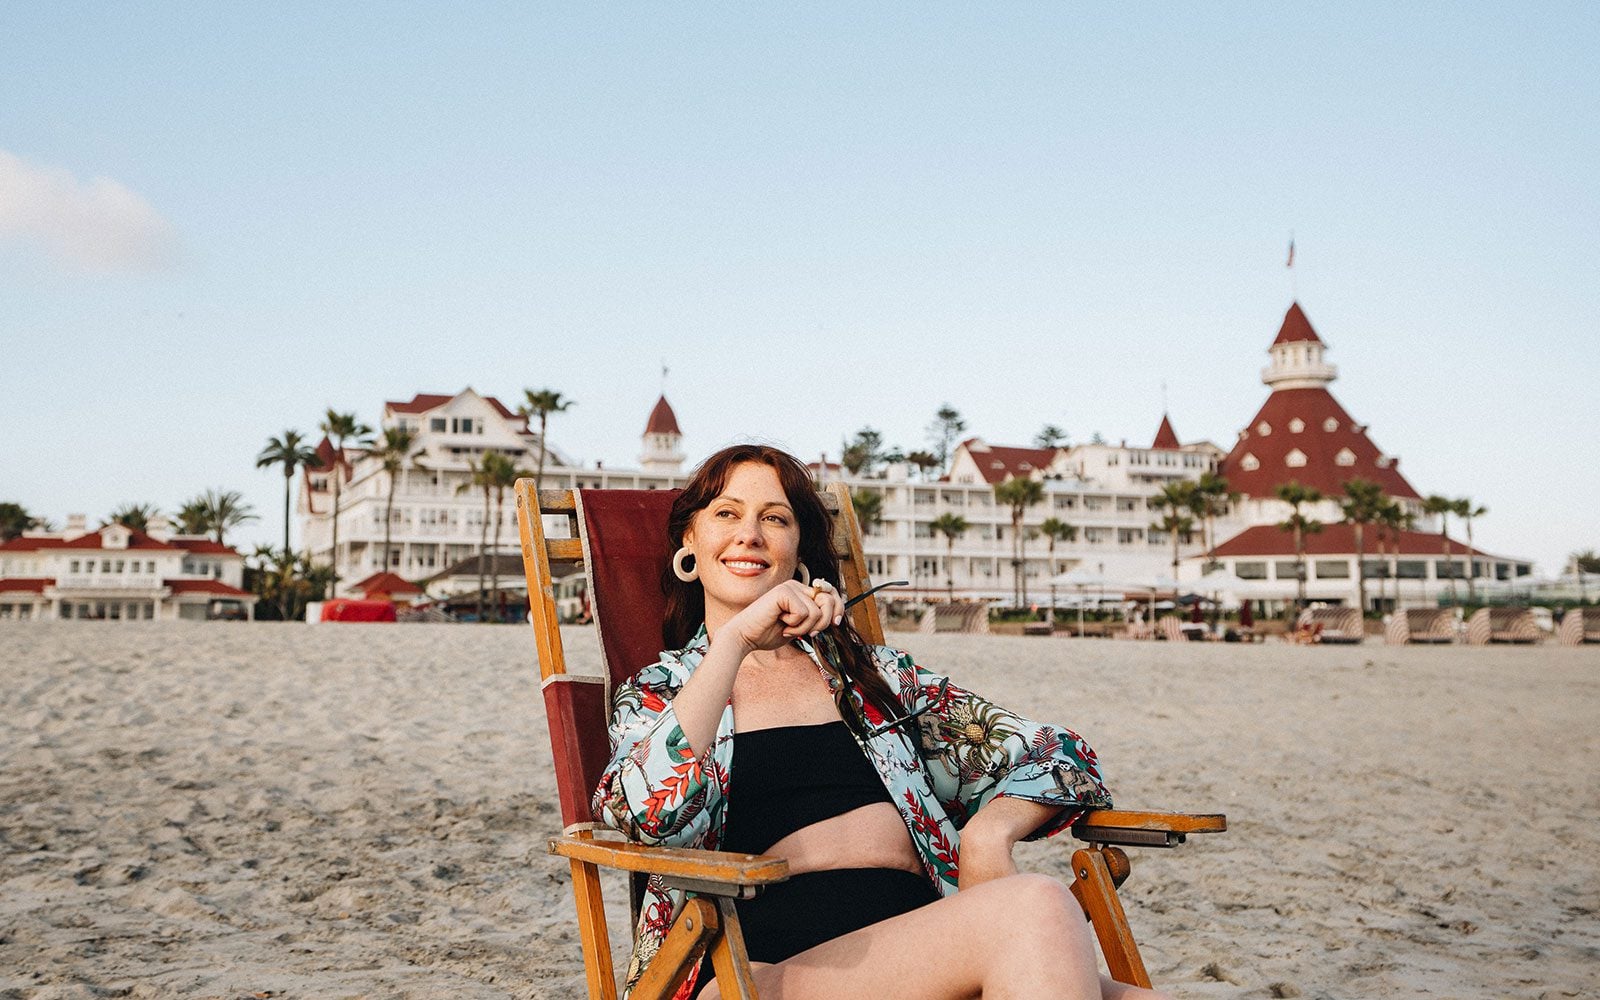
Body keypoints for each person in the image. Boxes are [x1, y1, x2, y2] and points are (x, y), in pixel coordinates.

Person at [593, 444, 1165, 1000]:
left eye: (775, 518)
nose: (750, 534)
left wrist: (990, 834)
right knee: (1035, 906)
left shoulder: (877, 679)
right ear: (689, 542)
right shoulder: (660, 692)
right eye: (726, 514)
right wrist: (737, 639)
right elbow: (646, 817)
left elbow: (1057, 755)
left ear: (799, 551)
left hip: (926, 952)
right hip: (752, 969)